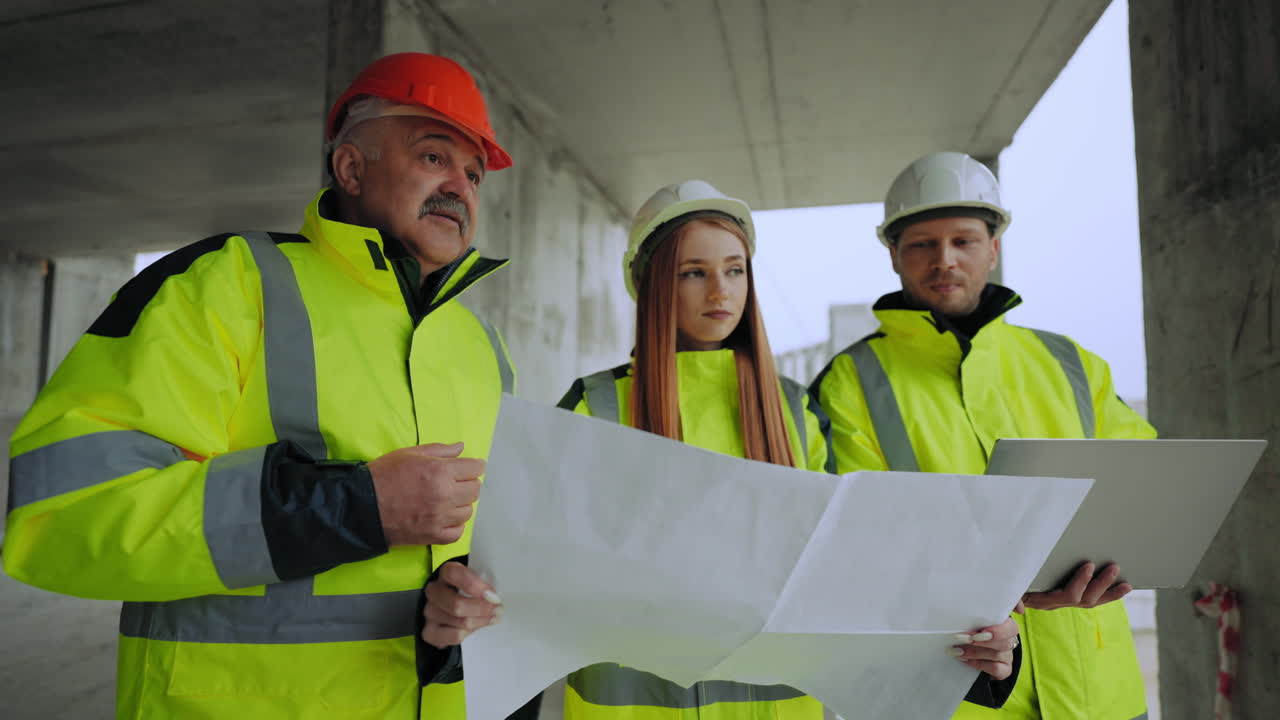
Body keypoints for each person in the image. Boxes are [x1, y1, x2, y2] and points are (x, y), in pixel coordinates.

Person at [4, 52, 508, 719]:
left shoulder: (479, 347)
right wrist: (351, 507)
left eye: (474, 174)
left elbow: (492, 547)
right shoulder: (225, 285)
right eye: (434, 158)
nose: (460, 189)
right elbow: (65, 515)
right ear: (352, 168)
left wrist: (473, 604)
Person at [423, 180, 1021, 719]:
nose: (721, 291)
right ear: (653, 283)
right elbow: (522, 574)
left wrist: (966, 645)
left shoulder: (794, 409)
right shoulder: (594, 405)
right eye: (693, 272)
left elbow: (854, 571)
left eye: (735, 271)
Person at [812, 151, 1152, 720]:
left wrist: (1122, 565)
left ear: (993, 247)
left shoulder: (1070, 365)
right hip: (958, 699)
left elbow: (1146, 497)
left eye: (964, 241)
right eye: (922, 244)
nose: (944, 260)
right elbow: (858, 546)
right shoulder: (850, 384)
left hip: (1101, 696)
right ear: (893, 254)